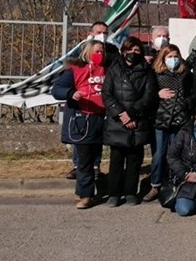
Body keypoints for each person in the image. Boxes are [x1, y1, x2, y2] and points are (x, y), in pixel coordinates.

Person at [102, 36, 159, 207]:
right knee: (116, 160)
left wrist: (132, 114)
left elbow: (149, 96)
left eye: (137, 50)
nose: (133, 53)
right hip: (118, 122)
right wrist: (121, 114)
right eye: (130, 50)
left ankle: (130, 192)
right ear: (123, 51)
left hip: (138, 121)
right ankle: (114, 193)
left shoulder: (147, 71)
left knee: (135, 160)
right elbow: (107, 94)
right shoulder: (113, 70)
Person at [51, 40, 107, 209]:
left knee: (96, 158)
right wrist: (71, 93)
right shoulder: (74, 70)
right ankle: (85, 195)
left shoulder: (108, 69)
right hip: (82, 120)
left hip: (102, 119)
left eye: (102, 52)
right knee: (84, 160)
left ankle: (93, 189)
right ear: (87, 52)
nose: (100, 55)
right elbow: (57, 89)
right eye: (97, 51)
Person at [65, 21, 117, 179]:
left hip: (101, 103)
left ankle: (96, 166)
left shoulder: (112, 50)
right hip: (83, 106)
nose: (103, 35)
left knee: (97, 138)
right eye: (99, 32)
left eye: (105, 32)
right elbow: (72, 66)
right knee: (81, 140)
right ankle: (77, 166)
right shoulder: (81, 49)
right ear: (91, 33)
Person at [143, 44, 193, 202]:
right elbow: (148, 94)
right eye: (170, 57)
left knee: (177, 153)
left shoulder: (185, 74)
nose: (173, 59)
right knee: (159, 154)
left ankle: (174, 182)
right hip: (161, 119)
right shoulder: (155, 73)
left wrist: (185, 102)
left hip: (181, 118)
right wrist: (158, 94)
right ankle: (155, 185)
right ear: (163, 58)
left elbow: (192, 94)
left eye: (176, 56)